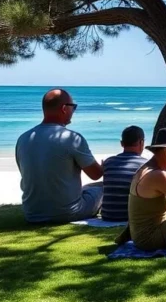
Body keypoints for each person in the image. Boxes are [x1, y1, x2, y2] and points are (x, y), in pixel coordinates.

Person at [15, 89, 104, 223]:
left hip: (32, 213)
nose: (74, 111)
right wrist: (104, 166)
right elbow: (96, 174)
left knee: (88, 188)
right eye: (73, 107)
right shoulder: (72, 138)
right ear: (64, 109)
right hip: (68, 212)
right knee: (104, 187)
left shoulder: (23, 139)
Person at [100, 126, 148, 222]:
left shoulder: (109, 162)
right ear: (141, 143)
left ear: (122, 143)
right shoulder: (144, 165)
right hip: (129, 216)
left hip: (107, 215)